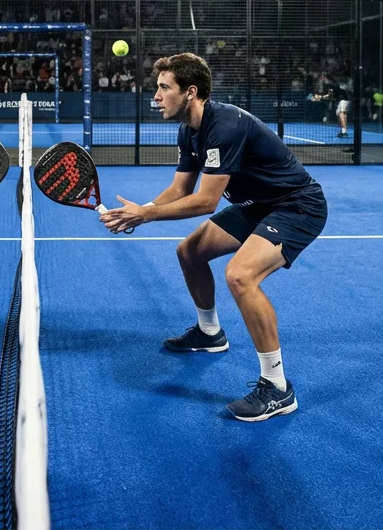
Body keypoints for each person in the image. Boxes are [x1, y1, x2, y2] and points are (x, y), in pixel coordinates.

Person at [100, 53, 328, 422]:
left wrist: (146, 214)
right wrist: (140, 211)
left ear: (190, 92)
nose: (155, 96)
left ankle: (277, 387)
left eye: (164, 88)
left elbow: (205, 201)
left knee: (240, 276)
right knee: (189, 252)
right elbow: (180, 189)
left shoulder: (225, 125)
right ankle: (210, 333)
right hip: (257, 206)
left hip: (296, 206)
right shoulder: (188, 130)